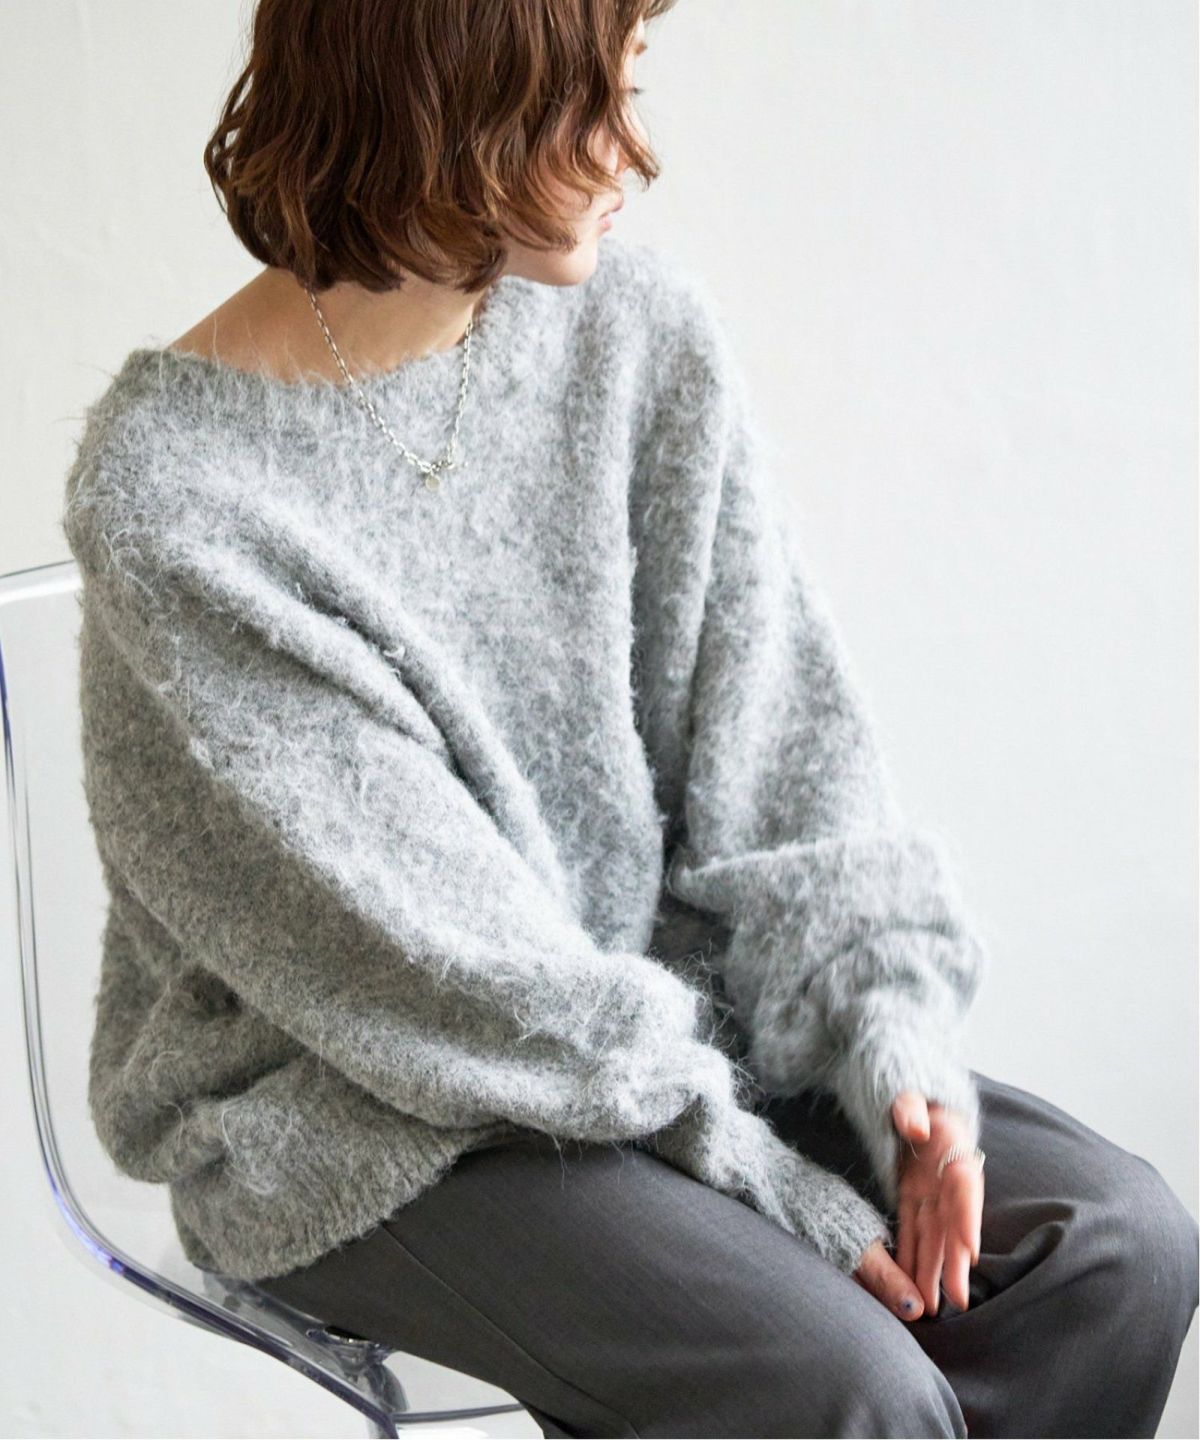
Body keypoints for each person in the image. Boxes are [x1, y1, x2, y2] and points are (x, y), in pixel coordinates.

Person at [61, 2, 1197, 1436]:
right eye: (578, 106)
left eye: (628, 87)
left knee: (1117, 1251)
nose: (631, 153)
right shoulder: (179, 498)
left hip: (649, 1019)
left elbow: (787, 758)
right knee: (843, 1391)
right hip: (359, 1100)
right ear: (442, 108)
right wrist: (755, 1174)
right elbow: (431, 966)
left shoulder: (637, 337)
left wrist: (889, 1042)